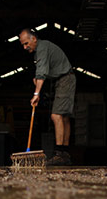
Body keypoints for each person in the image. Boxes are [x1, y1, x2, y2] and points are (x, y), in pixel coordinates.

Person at [19, 28, 76, 166]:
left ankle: (59, 154)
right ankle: (65, 153)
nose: (25, 47)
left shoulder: (42, 48)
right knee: (64, 117)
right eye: (23, 45)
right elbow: (43, 72)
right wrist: (37, 82)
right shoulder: (41, 49)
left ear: (34, 39)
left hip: (65, 79)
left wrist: (36, 94)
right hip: (63, 79)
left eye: (26, 43)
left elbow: (42, 72)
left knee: (56, 116)